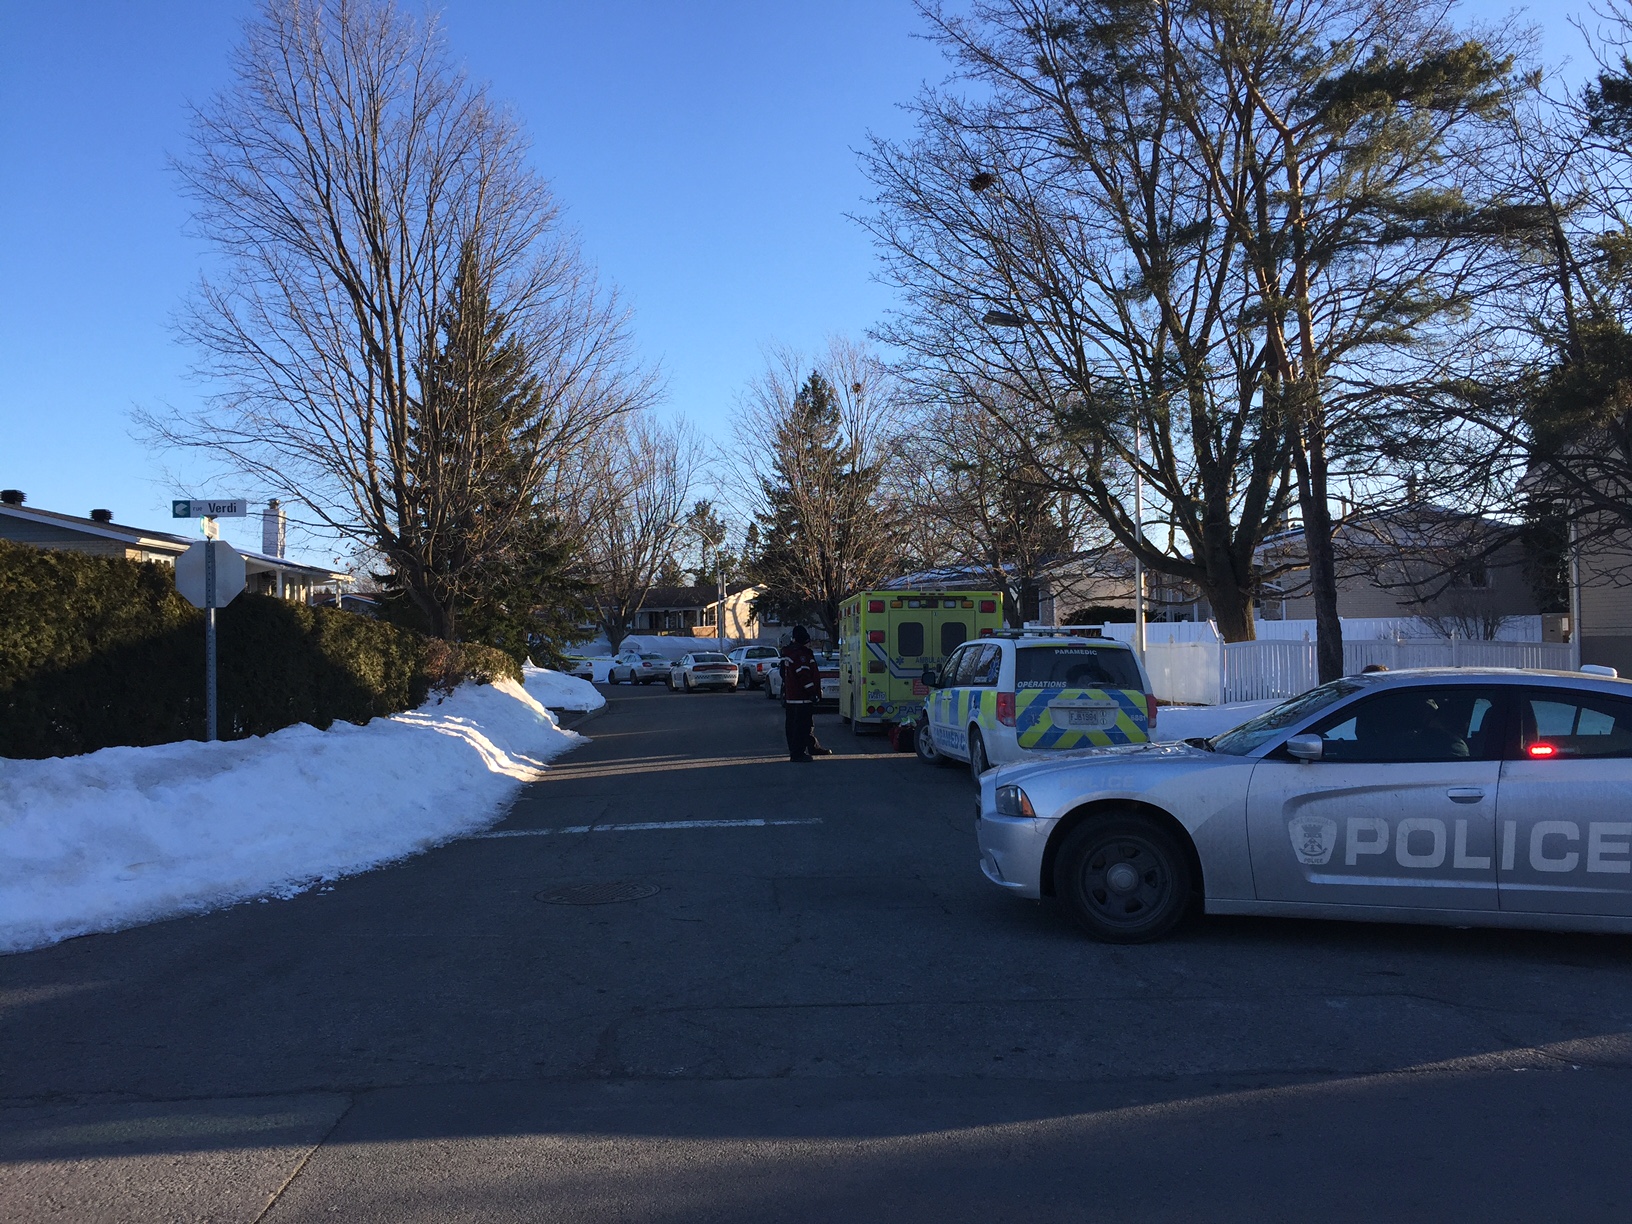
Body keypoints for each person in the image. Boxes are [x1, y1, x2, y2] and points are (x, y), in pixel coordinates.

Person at [781, 626, 831, 762]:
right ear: (805, 641)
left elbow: (783, 674)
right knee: (801, 726)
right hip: (801, 698)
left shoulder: (790, 653)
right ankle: (798, 753)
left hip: (792, 698)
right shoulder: (801, 655)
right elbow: (804, 676)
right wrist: (812, 693)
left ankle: (812, 747)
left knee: (803, 724)